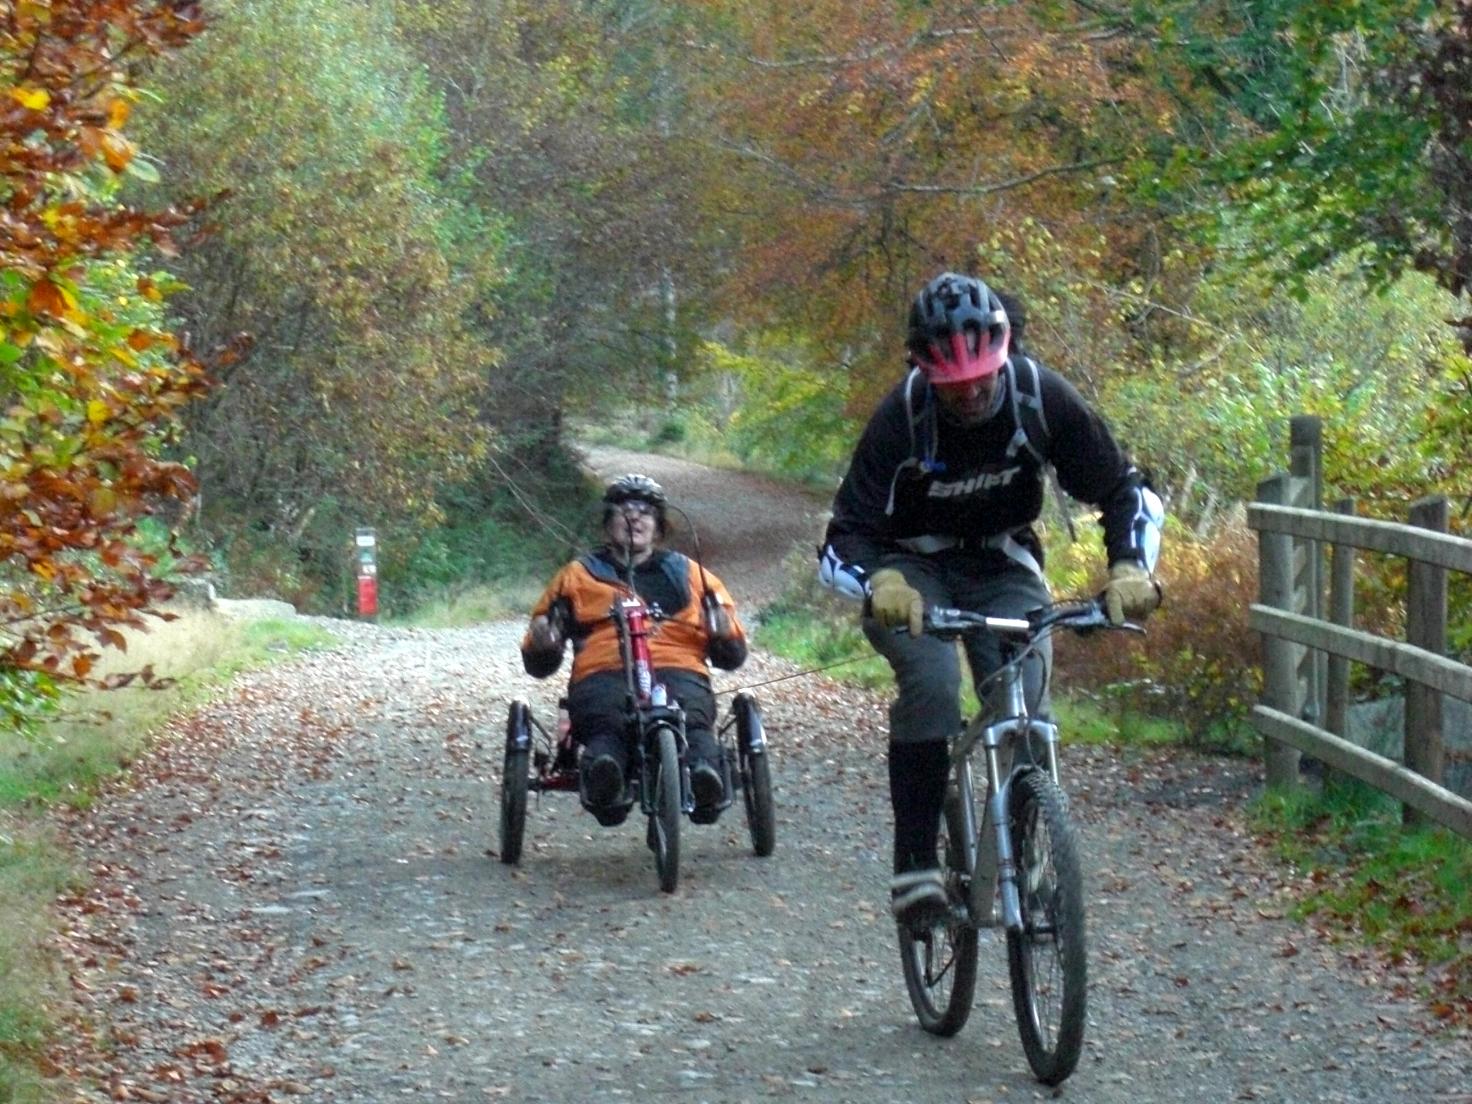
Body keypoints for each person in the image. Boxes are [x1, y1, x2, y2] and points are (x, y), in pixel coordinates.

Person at [817, 272, 1164, 924]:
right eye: (955, 385)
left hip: (1002, 562)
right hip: (910, 567)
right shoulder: (903, 417)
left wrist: (1128, 568)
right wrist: (878, 584)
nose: (973, 393)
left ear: (1006, 355)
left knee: (1026, 694)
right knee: (932, 681)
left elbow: (1124, 490)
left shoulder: (1039, 397)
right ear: (924, 371)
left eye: (983, 376)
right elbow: (844, 536)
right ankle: (916, 867)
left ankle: (1031, 853)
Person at [521, 474, 748, 825]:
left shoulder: (693, 574)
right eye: (624, 510)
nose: (634, 518)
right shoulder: (578, 576)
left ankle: (705, 778)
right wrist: (543, 642)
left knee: (693, 721)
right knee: (605, 725)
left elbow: (732, 655)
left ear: (658, 526)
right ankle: (604, 777)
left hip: (679, 667)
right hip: (603, 671)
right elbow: (539, 661)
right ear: (607, 522)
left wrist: (723, 635)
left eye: (645, 511)